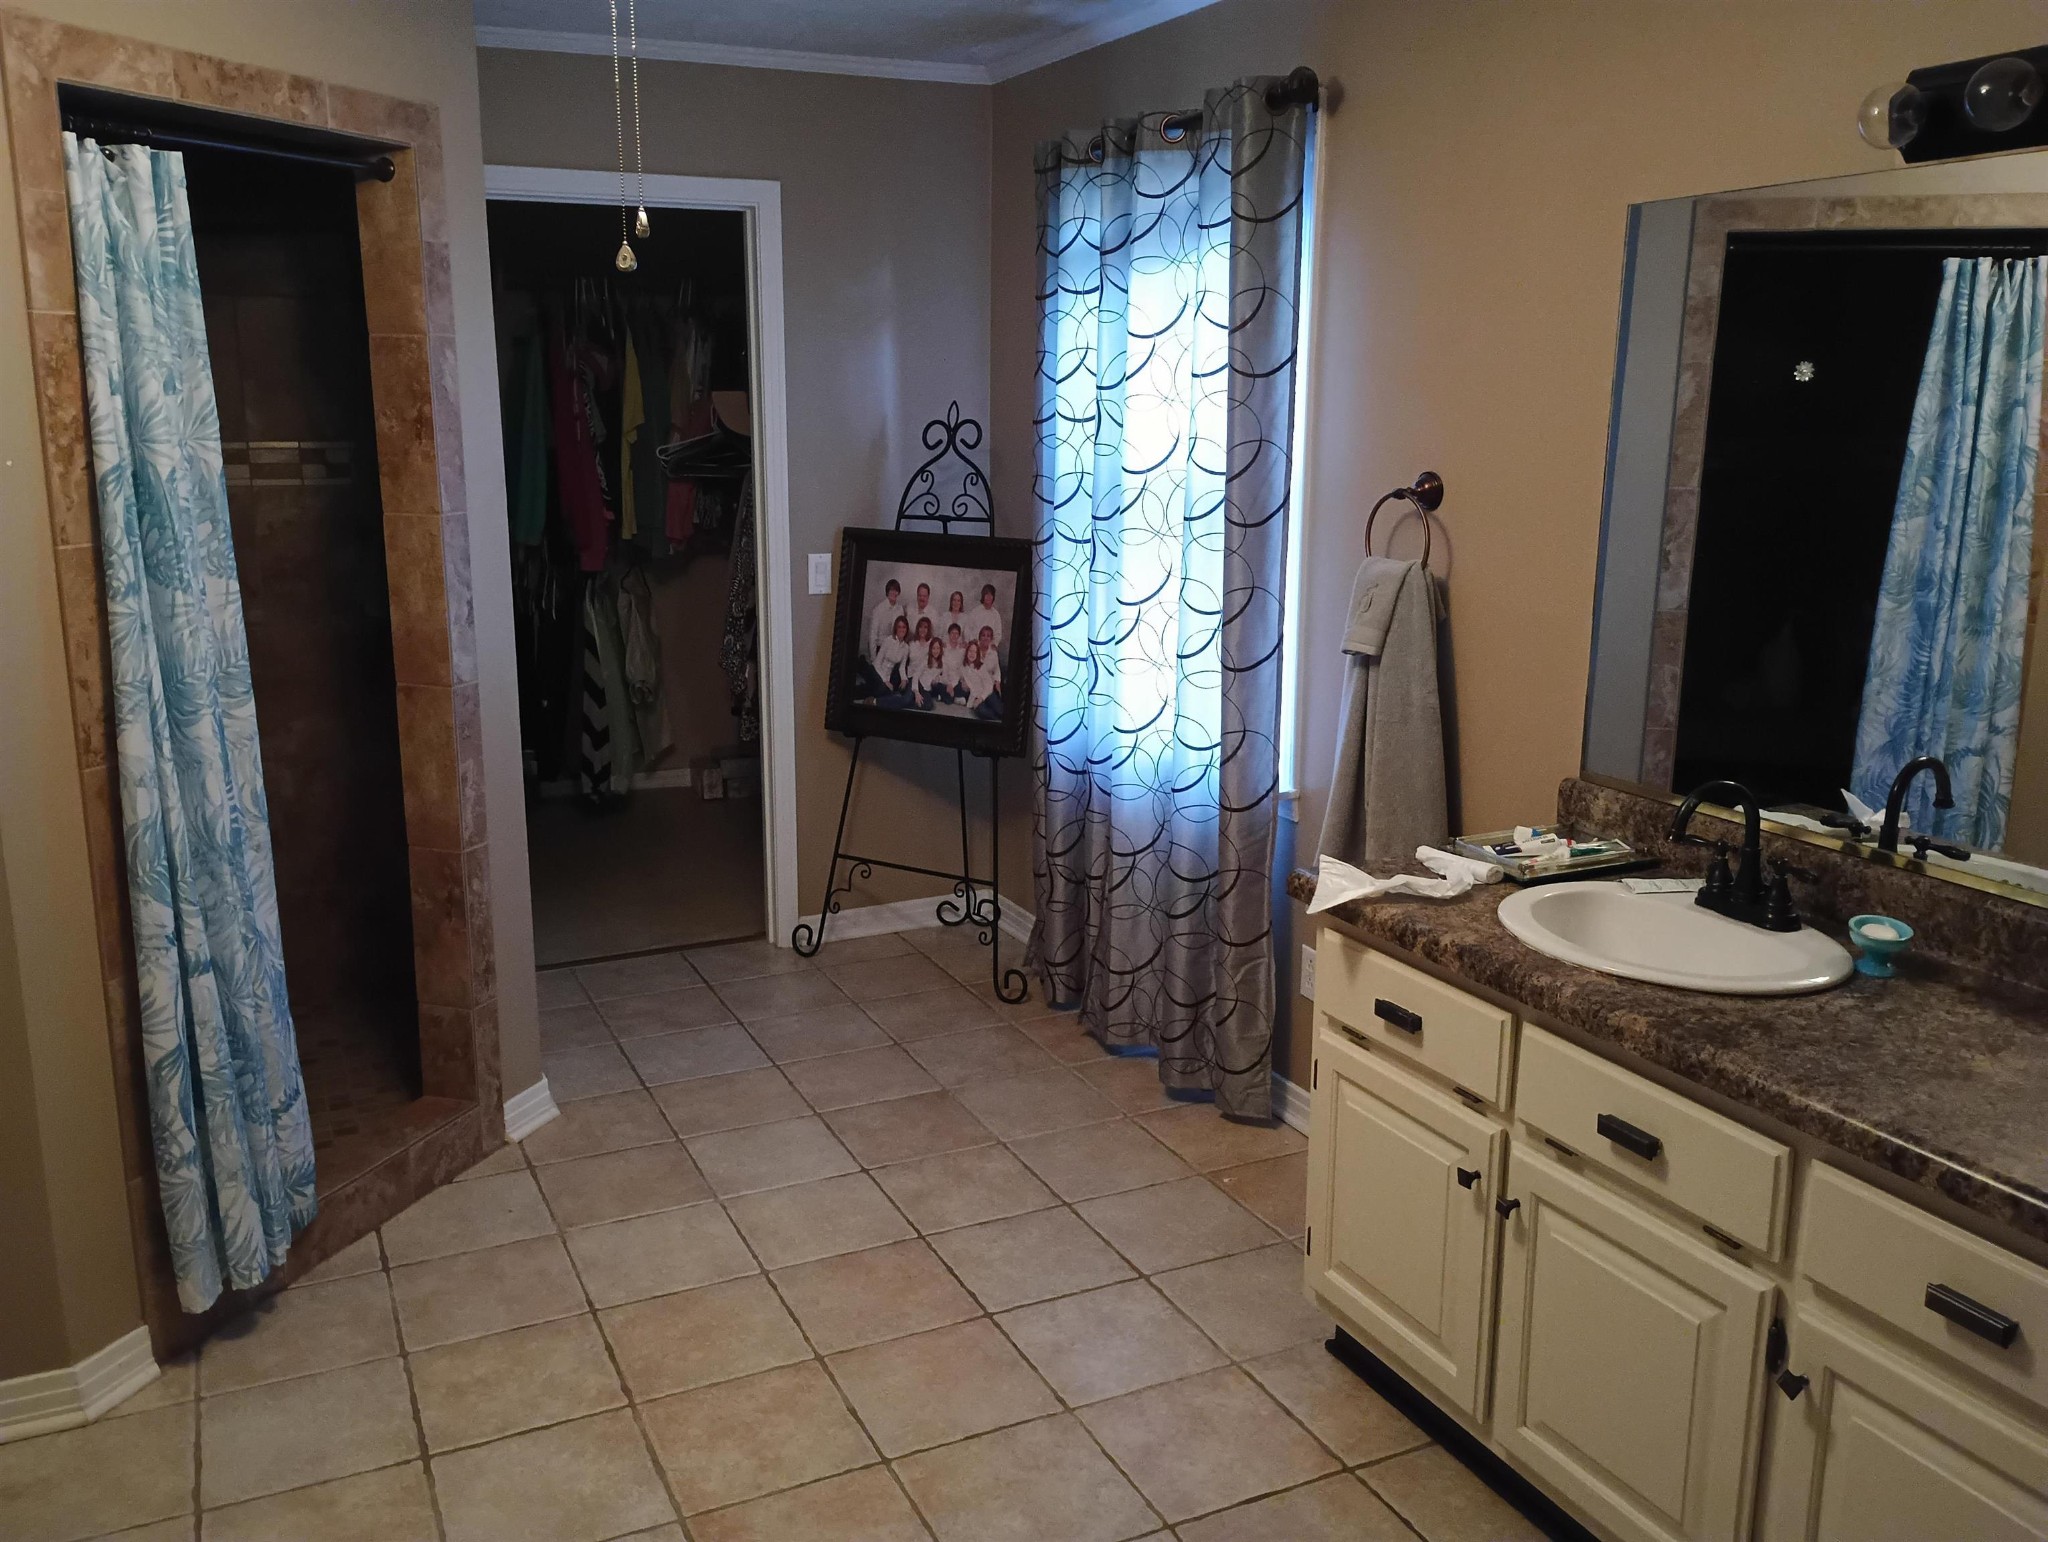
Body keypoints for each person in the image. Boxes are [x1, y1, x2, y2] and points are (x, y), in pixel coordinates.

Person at [859, 614, 914, 703]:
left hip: (889, 675)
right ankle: (862, 666)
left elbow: (902, 667)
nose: (901, 629)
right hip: (877, 671)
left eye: (904, 627)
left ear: (907, 629)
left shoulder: (906, 647)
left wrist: (904, 679)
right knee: (882, 689)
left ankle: (866, 684)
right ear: (895, 628)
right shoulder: (888, 641)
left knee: (887, 691)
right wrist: (885, 681)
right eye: (899, 627)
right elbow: (877, 663)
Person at [961, 639, 1003, 720]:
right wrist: (963, 682)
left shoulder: (981, 666)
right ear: (966, 652)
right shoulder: (963, 667)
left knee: (999, 710)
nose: (972, 654)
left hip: (987, 693)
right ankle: (997, 719)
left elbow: (989, 685)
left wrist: (981, 698)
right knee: (982, 712)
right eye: (970, 651)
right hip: (975, 696)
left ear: (977, 654)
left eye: (975, 652)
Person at [867, 578, 904, 661]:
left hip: (894, 649)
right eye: (892, 590)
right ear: (887, 592)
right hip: (880, 649)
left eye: (896, 591)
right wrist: (874, 658)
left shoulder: (900, 609)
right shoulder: (878, 610)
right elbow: (873, 636)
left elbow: (901, 632)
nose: (894, 593)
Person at [911, 638, 950, 710]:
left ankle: (937, 696)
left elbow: (945, 678)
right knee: (928, 706)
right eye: (934, 648)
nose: (936, 651)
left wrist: (939, 679)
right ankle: (913, 702)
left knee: (948, 699)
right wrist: (917, 692)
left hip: (931, 687)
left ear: (941, 649)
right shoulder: (926, 660)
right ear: (930, 649)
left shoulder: (942, 661)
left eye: (938, 648)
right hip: (921, 686)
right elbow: (916, 676)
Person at [966, 583, 1003, 654]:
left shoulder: (996, 614)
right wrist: (972, 641)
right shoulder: (975, 611)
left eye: (991, 595)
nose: (988, 597)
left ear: (993, 597)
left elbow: (998, 633)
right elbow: (967, 628)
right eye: (986, 594)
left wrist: (995, 644)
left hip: (989, 647)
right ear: (983, 596)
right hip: (975, 646)